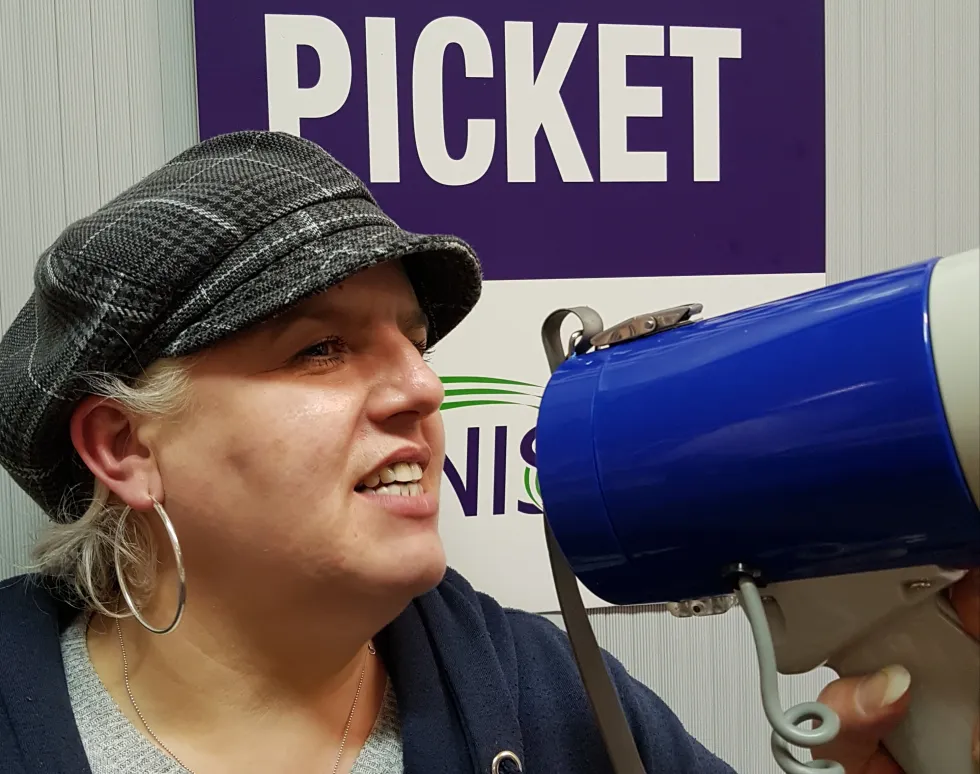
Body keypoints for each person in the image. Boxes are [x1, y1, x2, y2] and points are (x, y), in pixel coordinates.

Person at [0, 130, 975, 774]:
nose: (422, 389)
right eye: (320, 348)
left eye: (414, 342)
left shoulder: (539, 691)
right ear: (124, 447)